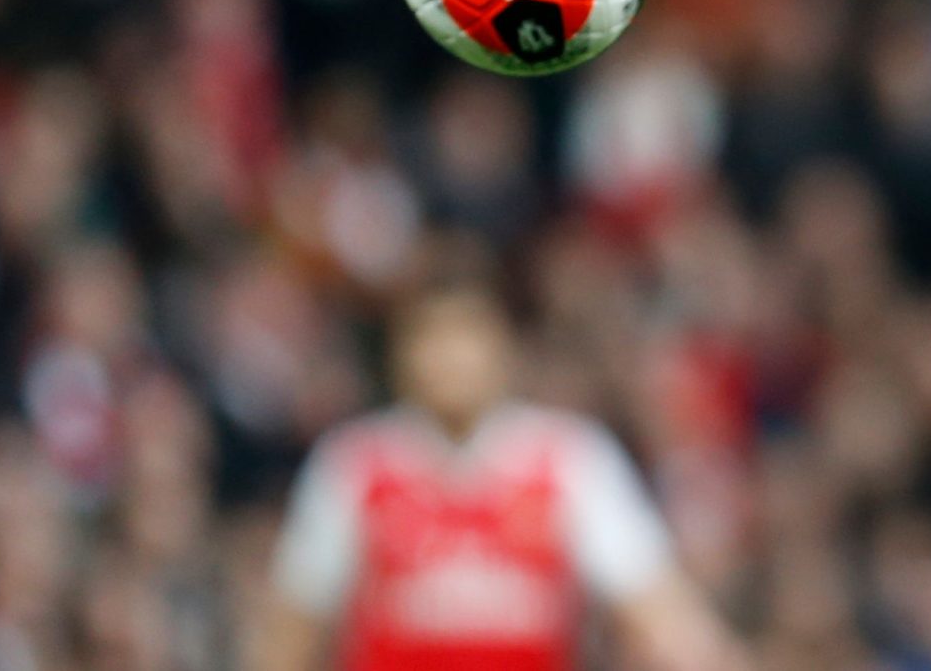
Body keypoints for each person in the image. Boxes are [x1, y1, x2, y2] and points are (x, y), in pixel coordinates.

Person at [249, 271, 744, 671]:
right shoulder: (355, 464)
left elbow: (661, 613)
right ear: (400, 354)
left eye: (466, 336)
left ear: (503, 346)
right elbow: (292, 629)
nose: (449, 359)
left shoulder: (569, 459)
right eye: (430, 338)